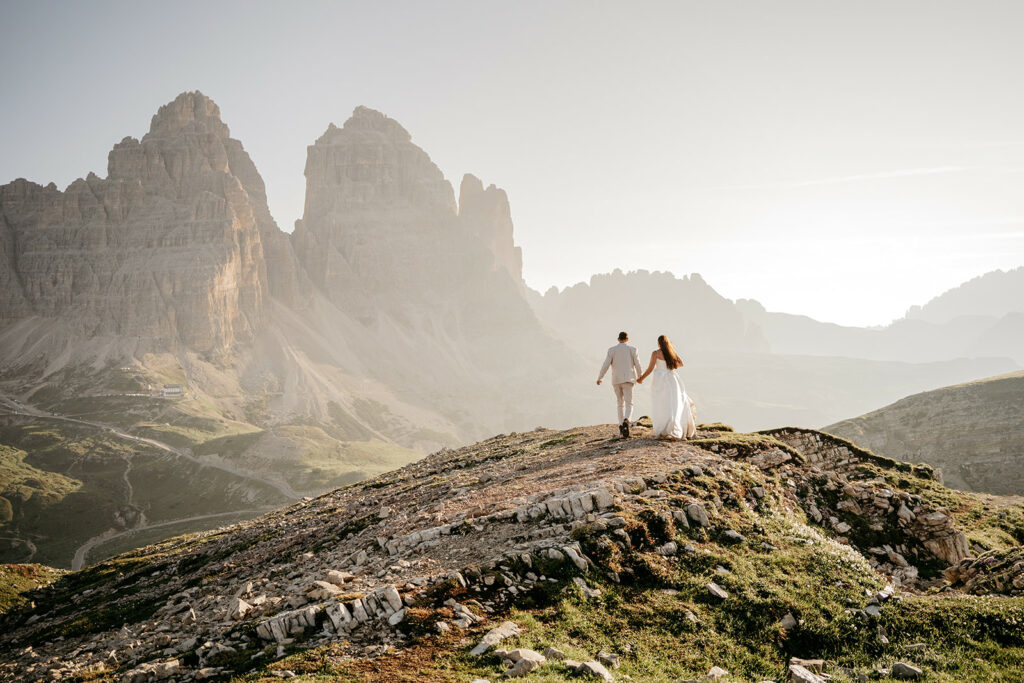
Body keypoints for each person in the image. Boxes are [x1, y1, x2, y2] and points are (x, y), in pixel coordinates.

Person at [636, 334, 697, 439]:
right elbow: (680, 364)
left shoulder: (655, 353)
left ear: (658, 343)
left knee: (661, 404)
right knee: (673, 404)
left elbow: (650, 369)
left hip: (660, 380)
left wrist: (641, 378)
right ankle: (673, 428)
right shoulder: (671, 352)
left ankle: (664, 429)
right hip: (672, 379)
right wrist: (670, 366)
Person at [596, 331, 644, 437]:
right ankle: (627, 420)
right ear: (627, 339)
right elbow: (637, 364)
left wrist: (600, 378)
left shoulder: (612, 350)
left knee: (619, 403)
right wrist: (640, 377)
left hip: (616, 380)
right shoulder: (633, 350)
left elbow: (606, 365)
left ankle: (621, 425)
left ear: (618, 339)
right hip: (628, 379)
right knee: (629, 403)